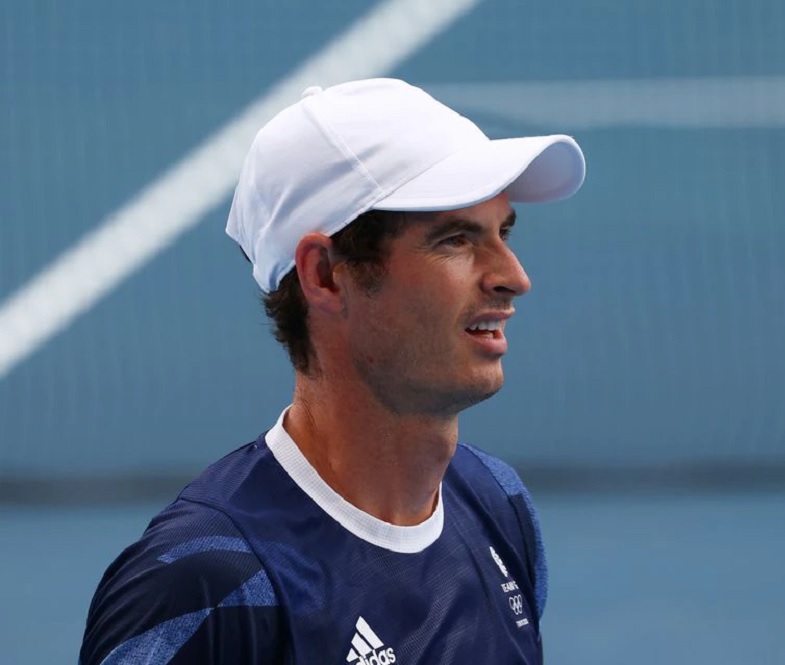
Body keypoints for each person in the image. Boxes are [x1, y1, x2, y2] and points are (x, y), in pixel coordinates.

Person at [79, 78, 585, 664]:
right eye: (455, 240)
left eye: (503, 233)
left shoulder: (496, 503)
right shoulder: (207, 585)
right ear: (324, 275)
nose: (513, 276)